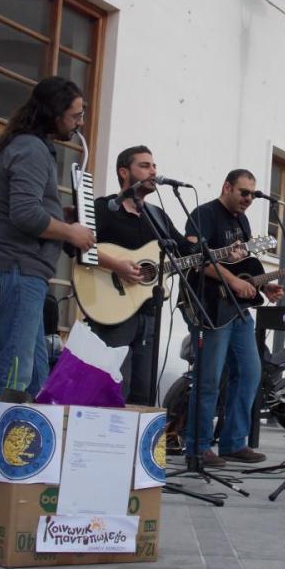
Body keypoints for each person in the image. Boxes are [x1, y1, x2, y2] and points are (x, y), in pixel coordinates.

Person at [0, 77, 95, 402]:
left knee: (36, 381)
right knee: (14, 374)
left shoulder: (28, 146)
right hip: (16, 269)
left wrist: (61, 216)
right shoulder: (31, 149)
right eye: (76, 115)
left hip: (20, 271)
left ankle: (20, 435)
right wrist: (70, 232)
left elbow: (26, 207)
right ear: (54, 114)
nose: (80, 123)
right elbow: (25, 214)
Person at [184, 169, 283, 468]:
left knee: (251, 372)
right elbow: (196, 261)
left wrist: (263, 286)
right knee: (208, 379)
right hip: (209, 307)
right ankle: (198, 448)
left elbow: (245, 265)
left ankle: (233, 443)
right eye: (244, 192)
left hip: (237, 309)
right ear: (227, 187)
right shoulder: (204, 214)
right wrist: (233, 282)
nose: (249, 199)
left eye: (252, 194)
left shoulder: (243, 221)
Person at [89, 145, 195, 406]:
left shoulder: (157, 216)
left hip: (148, 313)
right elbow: (78, 247)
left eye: (154, 166)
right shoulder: (103, 208)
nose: (153, 171)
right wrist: (117, 265)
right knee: (113, 387)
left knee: (143, 392)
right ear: (124, 172)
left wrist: (221, 252)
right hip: (112, 310)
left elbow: (185, 251)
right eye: (145, 166)